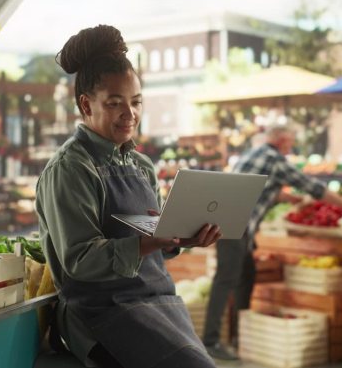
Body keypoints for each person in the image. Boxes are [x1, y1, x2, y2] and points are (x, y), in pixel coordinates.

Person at [35, 25, 222, 368]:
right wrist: (148, 243)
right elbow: (79, 260)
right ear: (85, 104)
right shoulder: (70, 169)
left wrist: (181, 238)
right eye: (115, 103)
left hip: (158, 305)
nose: (130, 113)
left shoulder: (141, 165)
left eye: (136, 102)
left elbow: (154, 239)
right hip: (101, 315)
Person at [202, 125, 342, 360]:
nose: (291, 146)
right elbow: (312, 187)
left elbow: (262, 189)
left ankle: (240, 336)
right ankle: (211, 341)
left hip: (231, 222)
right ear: (281, 140)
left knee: (246, 276)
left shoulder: (254, 153)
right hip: (235, 225)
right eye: (290, 141)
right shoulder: (275, 159)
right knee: (226, 280)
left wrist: (288, 197)